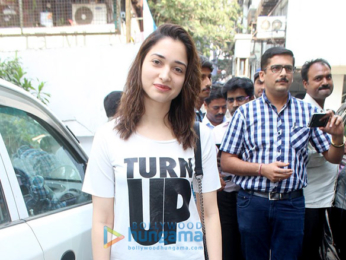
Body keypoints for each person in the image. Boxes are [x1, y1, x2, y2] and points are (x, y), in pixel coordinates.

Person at [82, 24, 222, 260]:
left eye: (178, 69)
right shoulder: (108, 136)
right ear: (140, 65)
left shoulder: (199, 136)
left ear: (185, 79)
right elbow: (103, 220)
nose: (165, 75)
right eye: (157, 62)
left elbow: (209, 213)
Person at [220, 47, 344, 260]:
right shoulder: (245, 113)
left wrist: (338, 138)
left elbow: (332, 157)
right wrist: (261, 170)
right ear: (262, 75)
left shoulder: (307, 112)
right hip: (253, 202)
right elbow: (227, 162)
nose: (283, 73)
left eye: (288, 68)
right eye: (276, 68)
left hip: (291, 203)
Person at [299, 58, 339, 259]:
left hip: (326, 200)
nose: (325, 81)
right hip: (308, 202)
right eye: (318, 78)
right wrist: (338, 141)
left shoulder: (326, 114)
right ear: (305, 83)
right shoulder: (303, 114)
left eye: (328, 77)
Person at [213, 77, 254, 260]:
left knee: (251, 246)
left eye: (240, 98)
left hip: (253, 195)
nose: (235, 104)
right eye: (231, 100)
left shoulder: (260, 129)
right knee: (228, 245)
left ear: (251, 98)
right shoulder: (217, 132)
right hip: (226, 195)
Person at [195, 55, 213, 122]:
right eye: (202, 77)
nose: (209, 83)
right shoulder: (180, 117)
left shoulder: (199, 114)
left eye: (209, 77)